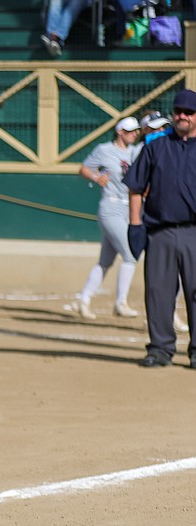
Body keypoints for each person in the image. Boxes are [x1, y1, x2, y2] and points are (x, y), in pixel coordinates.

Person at [125, 88, 196, 368]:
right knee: (158, 292)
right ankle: (160, 348)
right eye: (179, 111)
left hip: (194, 232)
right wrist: (135, 225)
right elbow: (135, 188)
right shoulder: (155, 146)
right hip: (160, 232)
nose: (183, 117)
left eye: (189, 113)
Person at [68, 117, 142, 320]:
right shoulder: (104, 150)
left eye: (135, 131)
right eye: (129, 131)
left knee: (105, 261)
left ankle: (83, 300)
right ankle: (121, 302)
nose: (133, 134)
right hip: (111, 206)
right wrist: (95, 177)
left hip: (130, 207)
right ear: (120, 131)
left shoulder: (136, 151)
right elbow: (84, 168)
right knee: (130, 255)